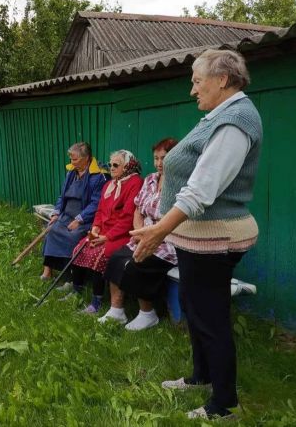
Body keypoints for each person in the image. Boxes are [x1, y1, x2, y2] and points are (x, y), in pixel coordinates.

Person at [131, 49, 262, 420]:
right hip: (197, 237)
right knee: (193, 306)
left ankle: (224, 404)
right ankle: (202, 376)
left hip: (216, 237)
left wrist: (158, 230)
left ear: (222, 80)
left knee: (210, 316)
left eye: (196, 80)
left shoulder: (236, 120)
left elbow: (201, 190)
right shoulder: (217, 115)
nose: (192, 90)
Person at [101, 138, 178, 330]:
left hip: (167, 240)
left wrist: (151, 236)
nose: (159, 163)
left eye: (164, 158)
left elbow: (176, 219)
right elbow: (137, 209)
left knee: (139, 262)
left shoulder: (180, 183)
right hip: (144, 235)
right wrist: (139, 233)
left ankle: (147, 313)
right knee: (116, 257)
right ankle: (116, 310)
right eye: (156, 158)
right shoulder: (151, 179)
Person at [65, 150, 143, 314]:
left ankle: (96, 302)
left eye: (116, 165)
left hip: (121, 234)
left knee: (99, 255)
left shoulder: (135, 182)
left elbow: (128, 218)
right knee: (80, 247)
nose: (111, 168)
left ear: (128, 166)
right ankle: (76, 290)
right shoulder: (109, 184)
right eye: (110, 164)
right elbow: (100, 211)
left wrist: (106, 237)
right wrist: (95, 228)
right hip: (103, 231)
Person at [40, 142, 106, 281]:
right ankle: (48, 271)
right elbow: (62, 196)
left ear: (86, 158)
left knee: (73, 238)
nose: (72, 162)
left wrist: (79, 219)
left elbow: (96, 203)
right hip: (65, 215)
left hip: (85, 219)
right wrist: (56, 213)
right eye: (71, 158)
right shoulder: (71, 172)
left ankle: (71, 277)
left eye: (75, 159)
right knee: (51, 230)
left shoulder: (98, 176)